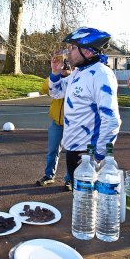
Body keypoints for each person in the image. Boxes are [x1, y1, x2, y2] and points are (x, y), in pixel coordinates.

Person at [49, 27, 121, 185]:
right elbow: (56, 93)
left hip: (88, 154)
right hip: (72, 150)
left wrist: (97, 156)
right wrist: (55, 72)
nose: (68, 52)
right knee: (79, 201)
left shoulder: (102, 75)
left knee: (89, 204)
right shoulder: (77, 73)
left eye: (73, 47)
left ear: (88, 51)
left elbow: (112, 120)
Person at [36, 60, 72, 191]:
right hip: (56, 122)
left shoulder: (75, 79)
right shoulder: (56, 80)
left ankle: (70, 179)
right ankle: (48, 175)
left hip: (72, 124)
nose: (65, 68)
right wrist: (56, 74)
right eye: (64, 65)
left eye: (67, 66)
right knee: (52, 151)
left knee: (71, 153)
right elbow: (45, 88)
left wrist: (68, 76)